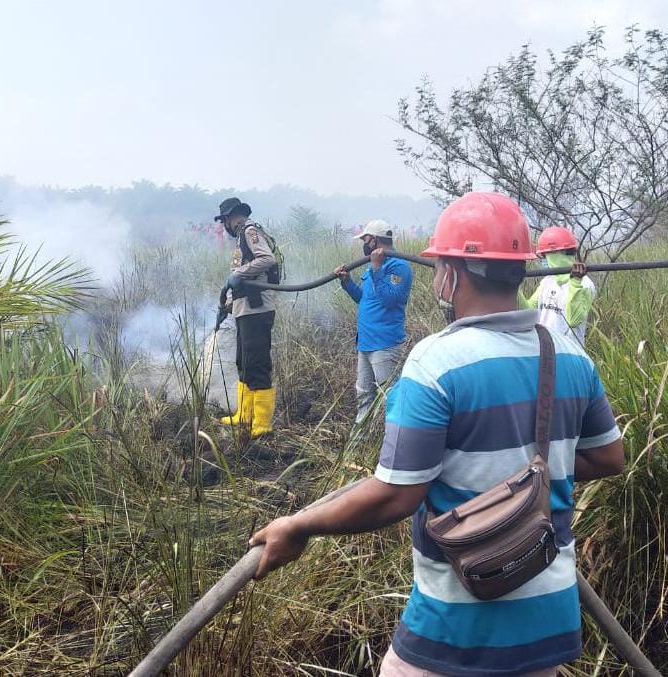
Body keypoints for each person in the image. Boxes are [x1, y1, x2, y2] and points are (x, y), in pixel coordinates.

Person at [250, 192, 625, 677]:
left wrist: (298, 526)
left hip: (455, 630)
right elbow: (610, 458)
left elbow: (396, 495)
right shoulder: (572, 358)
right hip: (547, 625)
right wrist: (517, 472)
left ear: (453, 272)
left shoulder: (436, 361)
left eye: (439, 268)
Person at [334, 219, 413, 425]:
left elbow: (389, 300)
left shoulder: (399, 266)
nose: (364, 244)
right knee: (364, 396)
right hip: (365, 343)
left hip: (385, 344)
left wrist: (378, 269)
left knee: (389, 397)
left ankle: (393, 441)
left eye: (365, 240)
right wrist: (347, 282)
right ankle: (359, 442)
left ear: (375, 240)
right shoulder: (371, 267)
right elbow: (364, 299)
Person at [216, 197, 278, 437]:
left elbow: (267, 259)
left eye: (224, 221)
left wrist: (239, 273)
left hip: (258, 310)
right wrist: (229, 304)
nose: (224, 227)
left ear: (232, 218)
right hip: (245, 309)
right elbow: (243, 280)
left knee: (258, 364)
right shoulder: (241, 236)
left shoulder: (250, 231)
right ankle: (245, 414)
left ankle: (262, 425)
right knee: (244, 362)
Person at [520, 227, 596, 346]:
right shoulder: (548, 281)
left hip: (569, 352)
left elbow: (574, 320)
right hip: (545, 350)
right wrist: (514, 287)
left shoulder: (584, 284)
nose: (544, 260)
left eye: (545, 256)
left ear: (556, 254)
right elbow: (528, 309)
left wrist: (575, 283)